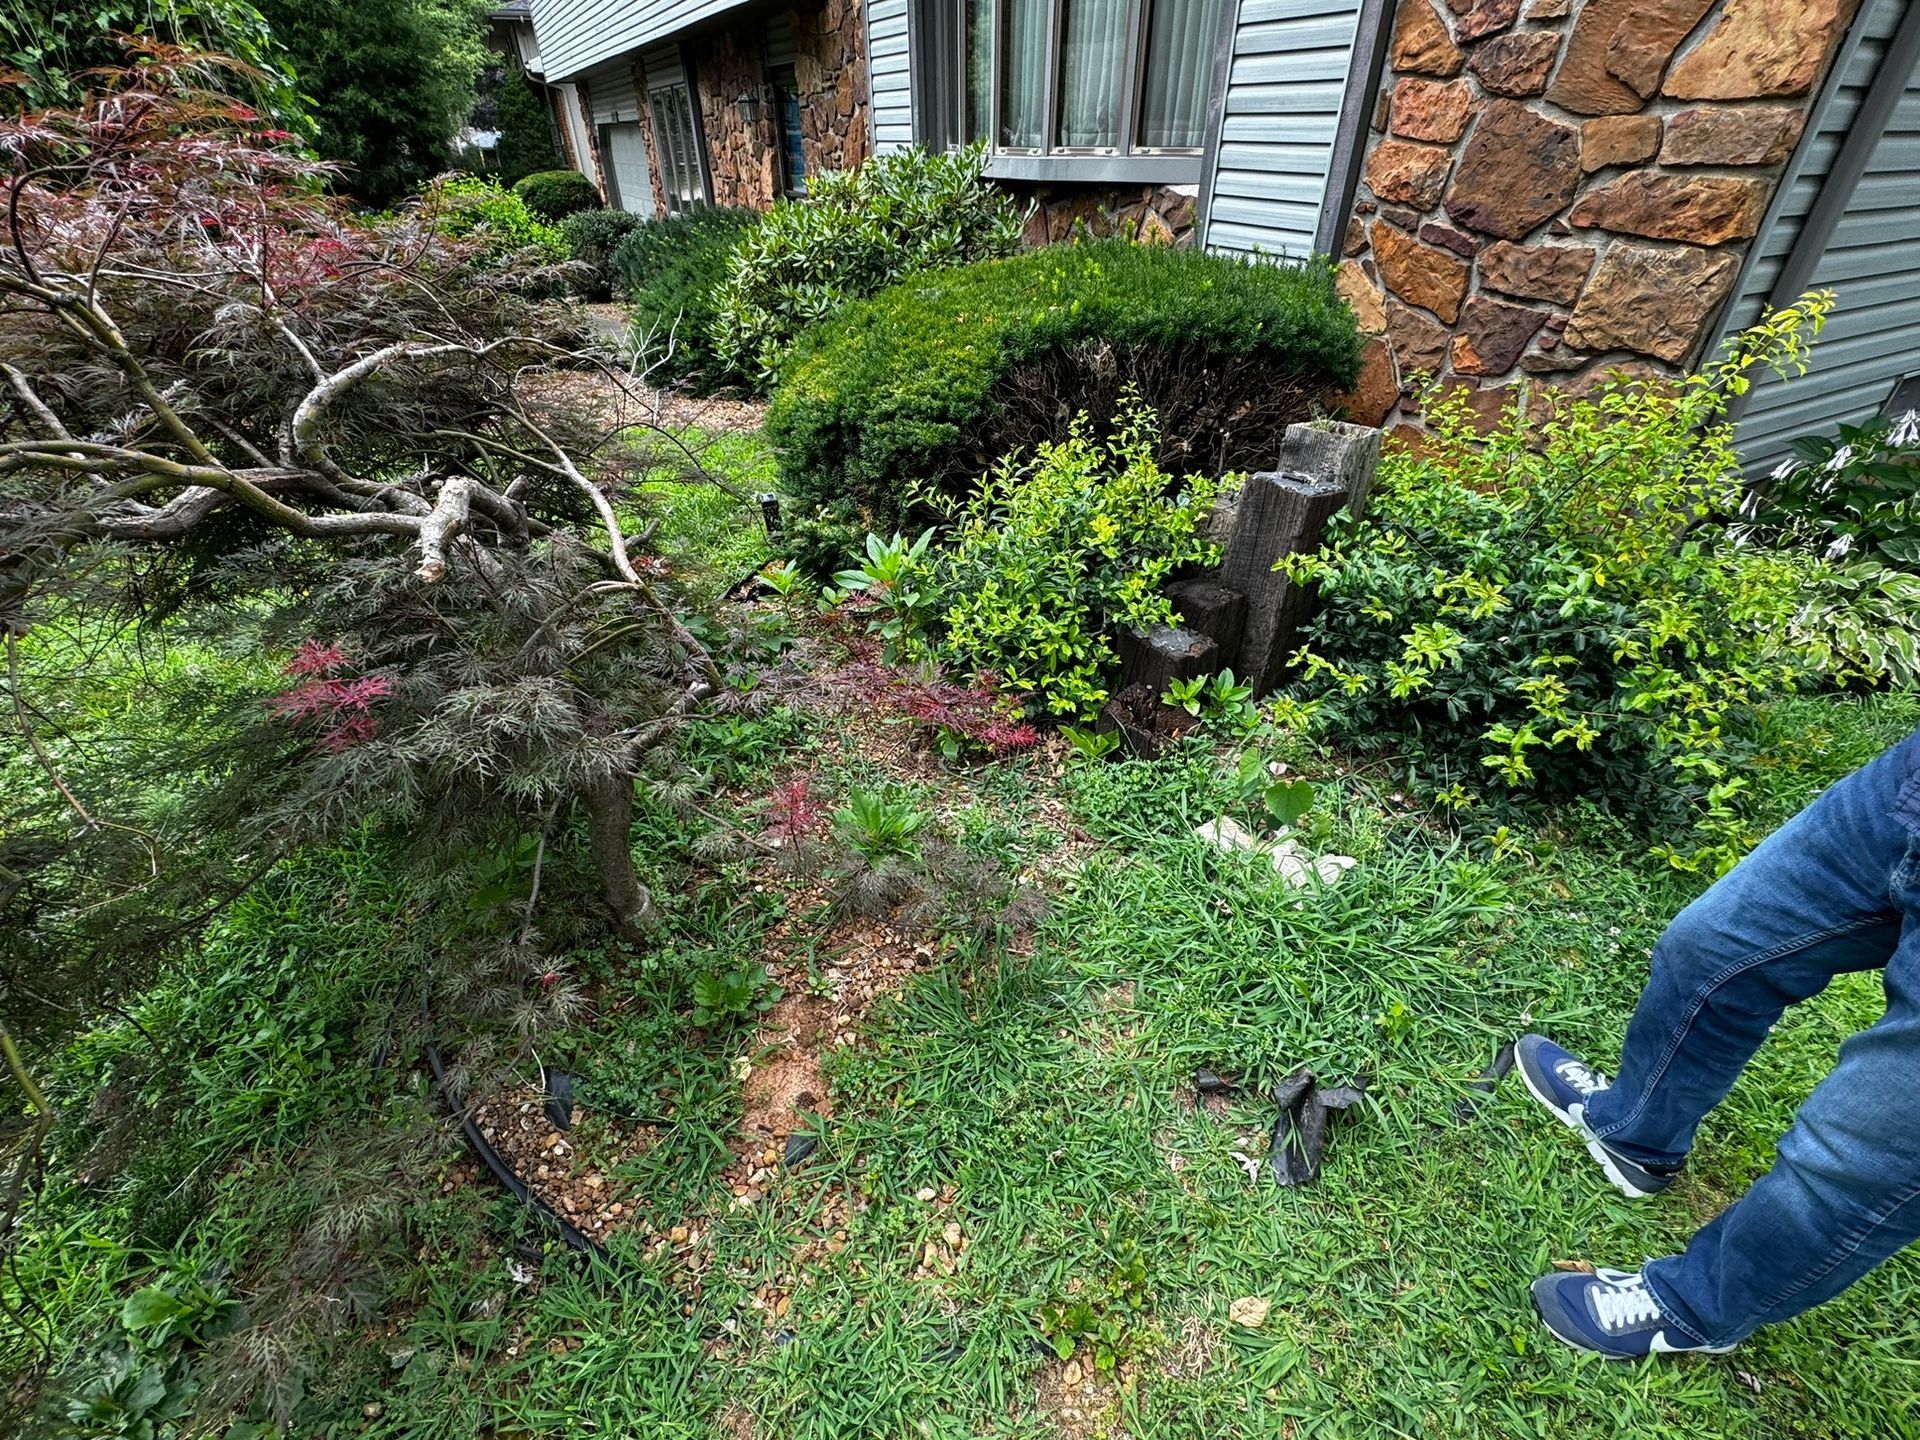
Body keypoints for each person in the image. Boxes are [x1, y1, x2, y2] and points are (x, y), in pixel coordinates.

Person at [1517, 727, 1920, 1360]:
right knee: (1710, 949)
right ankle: (1633, 1134)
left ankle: (1699, 1306)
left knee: (1864, 1148)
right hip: (1907, 794)